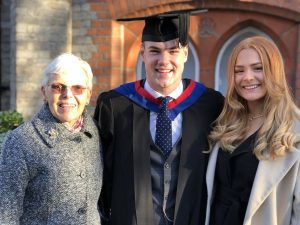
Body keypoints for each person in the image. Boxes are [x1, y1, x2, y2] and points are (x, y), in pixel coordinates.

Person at [94, 11, 224, 225]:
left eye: (173, 51)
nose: (164, 61)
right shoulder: (114, 105)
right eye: (155, 51)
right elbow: (100, 178)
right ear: (142, 53)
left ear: (185, 54)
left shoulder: (210, 105)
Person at [205, 36, 300, 225]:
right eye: (239, 71)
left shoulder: (294, 132)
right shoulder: (224, 124)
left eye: (258, 68)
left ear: (274, 72)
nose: (247, 77)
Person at [0, 53, 103, 225]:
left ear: (89, 95)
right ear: (44, 92)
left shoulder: (96, 133)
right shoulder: (22, 140)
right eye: (57, 87)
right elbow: (5, 213)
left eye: (78, 88)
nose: (67, 95)